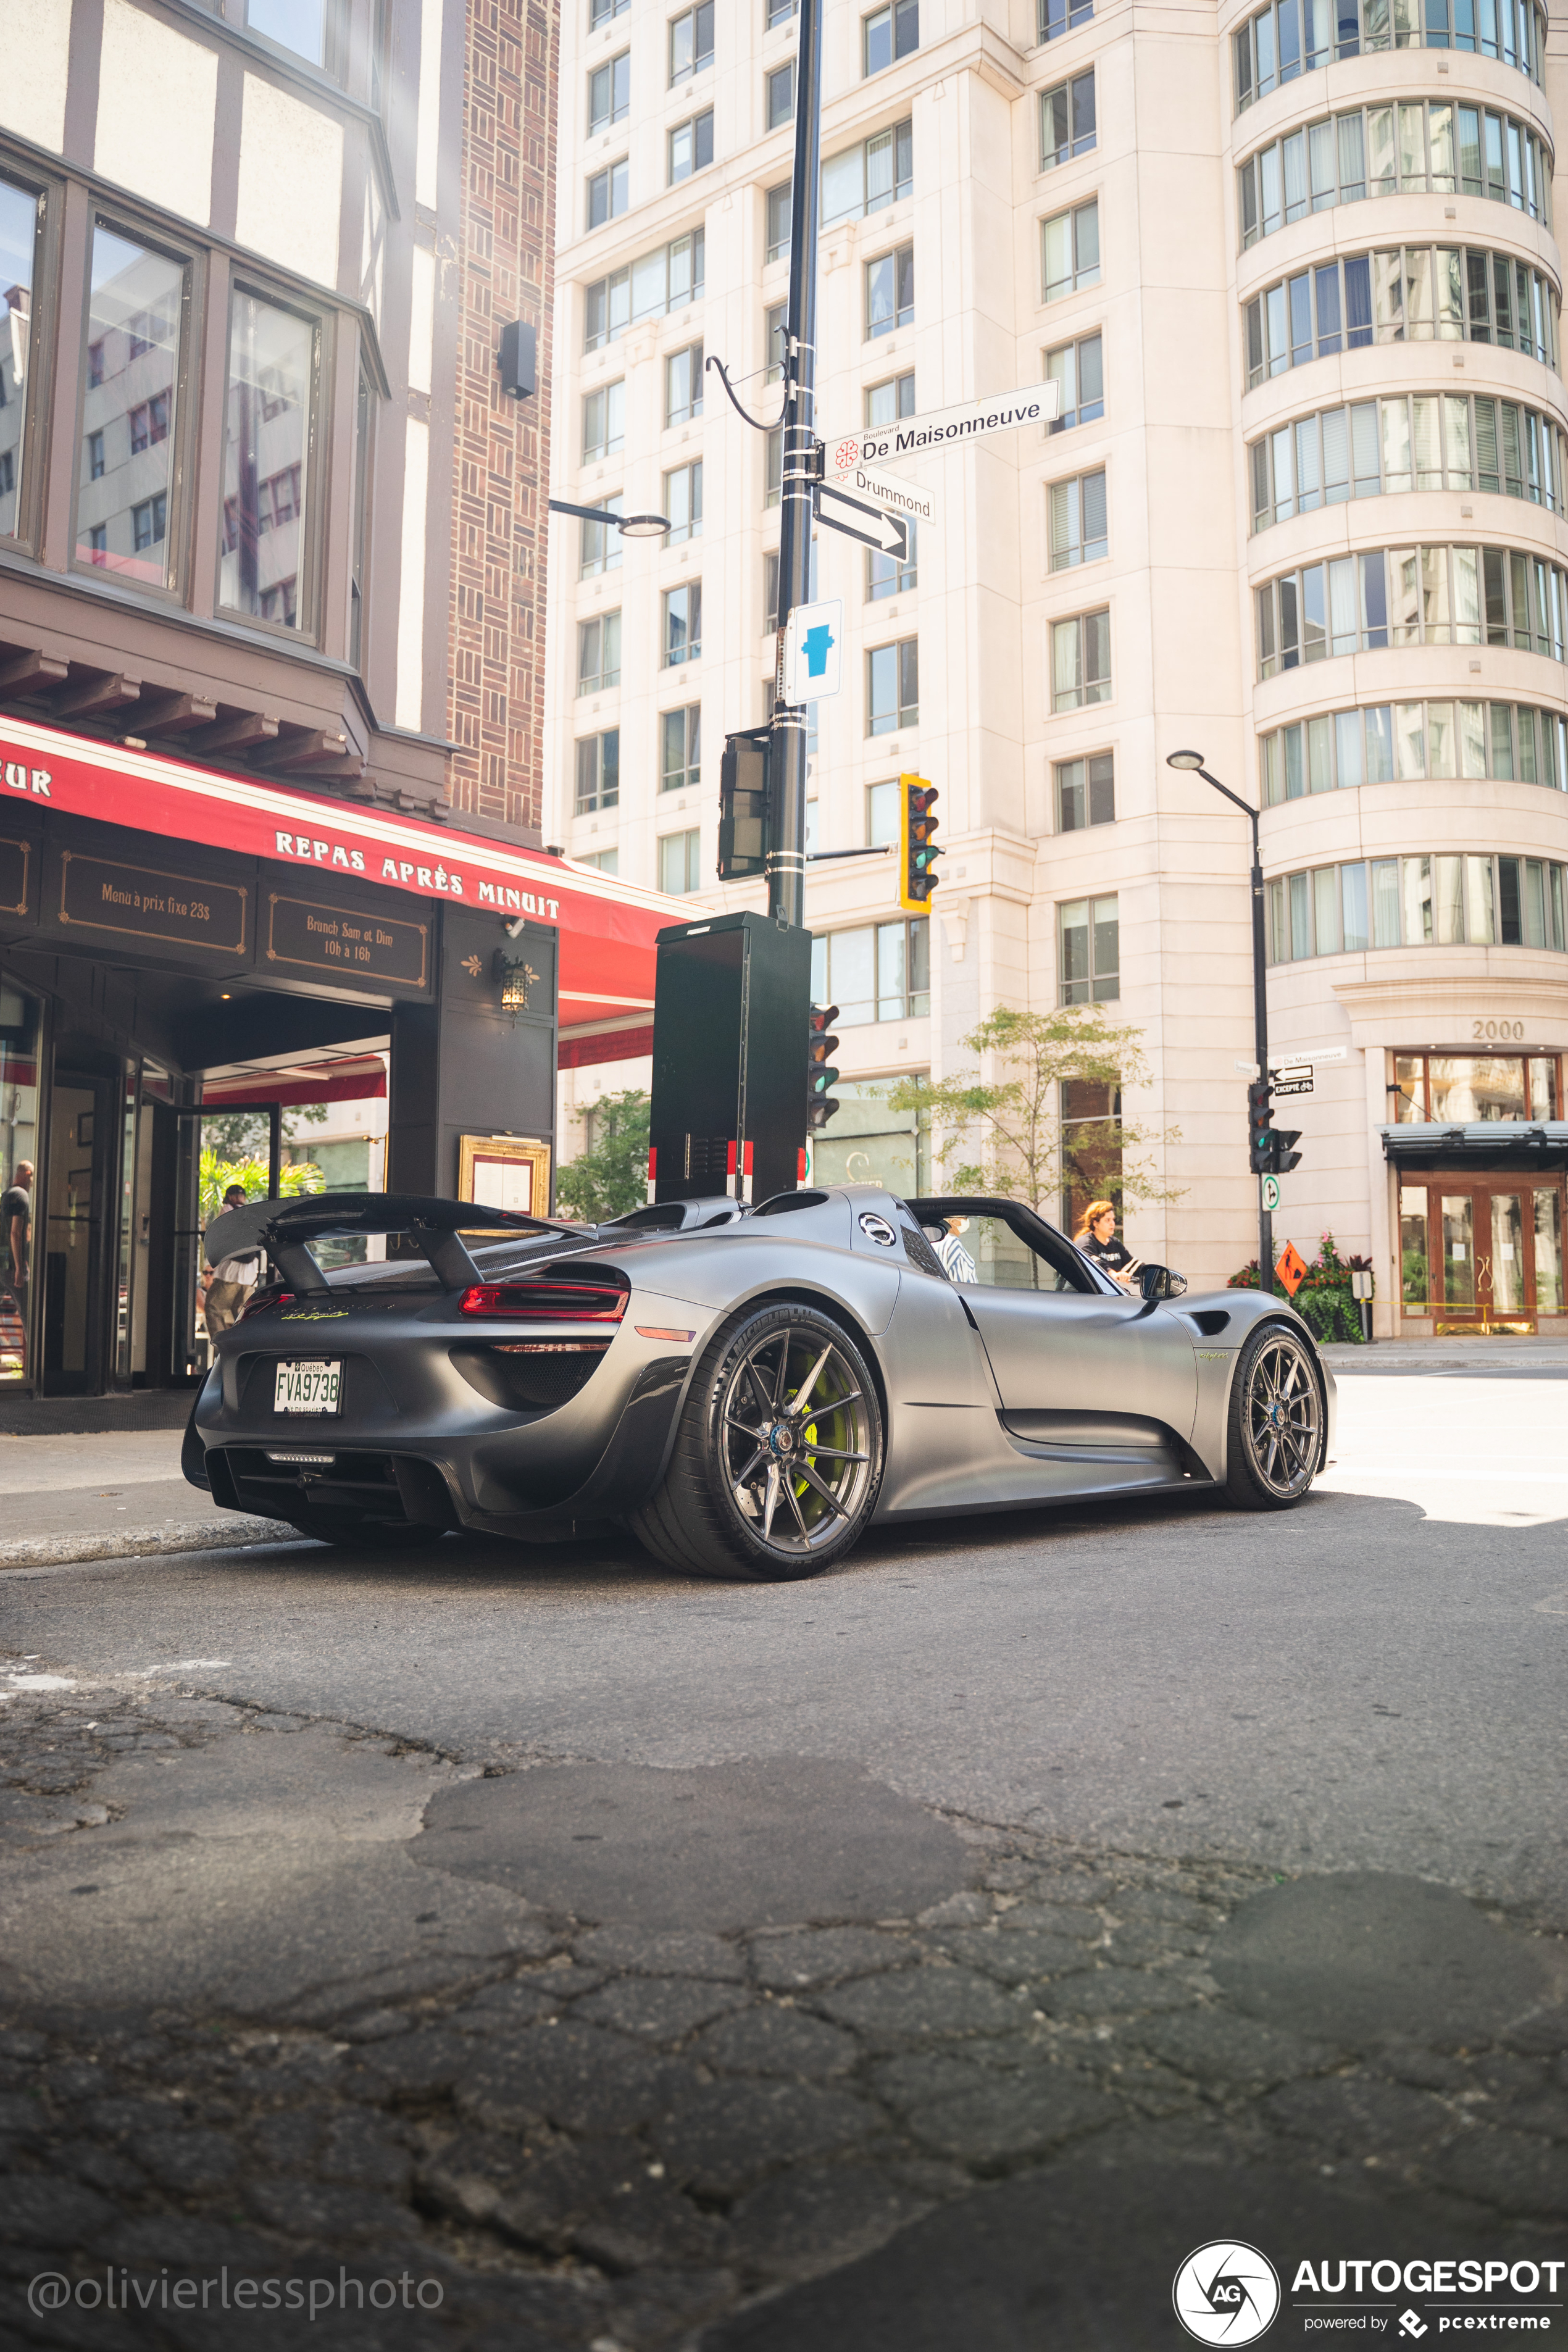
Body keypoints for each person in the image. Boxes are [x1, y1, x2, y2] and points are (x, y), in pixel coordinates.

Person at [204, 1183, 264, 1335]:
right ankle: (244, 1345)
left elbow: (222, 1236)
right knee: (242, 1314)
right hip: (250, 1274)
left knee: (213, 1308)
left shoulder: (227, 1210)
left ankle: (223, 1347)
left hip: (230, 1273)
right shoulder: (251, 1213)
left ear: (229, 1197)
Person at [1074, 1197, 1138, 1289]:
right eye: (1108, 1220)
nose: (1112, 1224)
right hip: (1080, 1296)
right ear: (1095, 1223)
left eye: (1113, 1219)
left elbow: (1133, 1265)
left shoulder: (1115, 1243)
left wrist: (1155, 1275)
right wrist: (1113, 1274)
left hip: (1101, 1294)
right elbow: (1097, 1265)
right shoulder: (1086, 1243)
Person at [934, 1216, 977, 1285]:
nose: (967, 1221)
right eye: (965, 1218)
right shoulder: (954, 1243)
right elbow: (960, 1285)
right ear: (954, 1221)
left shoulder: (935, 1242)